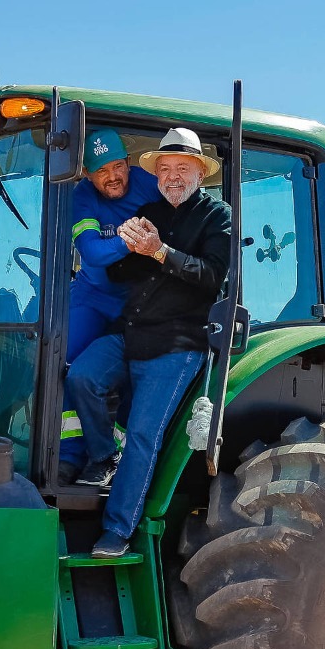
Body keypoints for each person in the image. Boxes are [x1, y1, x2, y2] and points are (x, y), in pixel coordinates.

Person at [66, 127, 232, 557]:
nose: (173, 175)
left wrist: (159, 252)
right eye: (165, 168)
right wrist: (126, 245)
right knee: (82, 376)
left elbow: (211, 277)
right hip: (132, 332)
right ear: (155, 174)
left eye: (182, 168)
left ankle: (117, 531)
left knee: (142, 434)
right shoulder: (150, 212)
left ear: (199, 171)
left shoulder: (218, 217)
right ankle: (102, 457)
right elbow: (121, 274)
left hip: (178, 343)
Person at [57, 129, 159, 482]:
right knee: (60, 361)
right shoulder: (82, 197)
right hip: (94, 296)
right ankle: (69, 455)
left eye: (118, 166)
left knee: (140, 371)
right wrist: (133, 241)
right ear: (87, 174)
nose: (112, 177)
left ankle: (114, 452)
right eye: (101, 171)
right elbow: (92, 253)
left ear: (129, 164)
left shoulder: (152, 186)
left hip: (139, 304)